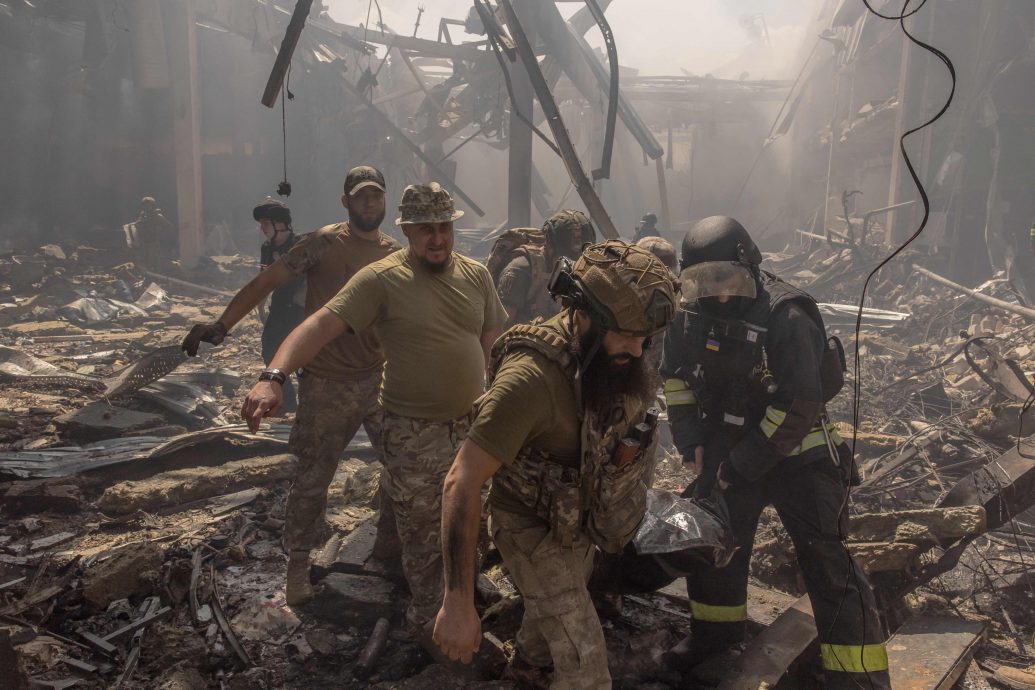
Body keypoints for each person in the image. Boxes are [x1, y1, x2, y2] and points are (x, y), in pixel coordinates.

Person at [240, 182, 507, 631]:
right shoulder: (382, 279)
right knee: (423, 533)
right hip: (413, 431)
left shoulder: (476, 275)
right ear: (407, 230)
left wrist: (497, 400)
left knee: (468, 518)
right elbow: (318, 325)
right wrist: (273, 377)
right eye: (425, 228)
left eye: (444, 226)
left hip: (468, 427)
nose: (437, 238)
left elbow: (492, 342)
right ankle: (429, 619)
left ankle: (455, 587)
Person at [433, 240, 677, 688]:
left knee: (555, 613)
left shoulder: (608, 358)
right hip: (530, 526)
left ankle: (528, 668)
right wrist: (457, 602)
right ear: (583, 315)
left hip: (576, 519)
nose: (637, 349)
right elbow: (461, 482)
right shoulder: (530, 380)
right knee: (586, 665)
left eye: (645, 337)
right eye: (624, 334)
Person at [660, 216, 891, 688]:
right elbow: (676, 379)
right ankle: (714, 638)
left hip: (799, 455)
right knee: (714, 543)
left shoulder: (786, 316)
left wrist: (740, 465)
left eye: (726, 279)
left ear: (750, 266)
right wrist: (690, 440)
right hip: (727, 450)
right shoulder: (687, 316)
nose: (719, 295)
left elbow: (799, 405)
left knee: (826, 561)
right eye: (704, 281)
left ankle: (858, 676)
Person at [181, 166, 400, 606]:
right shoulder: (324, 243)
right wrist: (222, 325)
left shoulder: (395, 253)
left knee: (404, 468)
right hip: (327, 383)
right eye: (361, 196)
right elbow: (266, 281)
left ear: (384, 201)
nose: (369, 203)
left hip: (379, 381)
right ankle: (298, 568)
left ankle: (389, 549)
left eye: (375, 196)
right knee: (312, 482)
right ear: (346, 202)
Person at [494, 209, 596, 329]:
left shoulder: (586, 269)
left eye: (580, 259)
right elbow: (499, 328)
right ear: (549, 246)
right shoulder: (521, 270)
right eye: (566, 257)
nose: (574, 265)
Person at [253, 197, 305, 412]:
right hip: (280, 307)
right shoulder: (267, 248)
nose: (262, 229)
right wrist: (260, 306)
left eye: (266, 223)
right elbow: (264, 278)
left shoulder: (301, 244)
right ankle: (287, 402)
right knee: (270, 349)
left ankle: (309, 401)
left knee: (304, 358)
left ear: (280, 223)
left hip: (302, 309)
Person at [124, 196, 174, 269]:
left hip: (153, 242)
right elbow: (137, 224)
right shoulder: (143, 216)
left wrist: (159, 231)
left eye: (148, 205)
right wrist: (136, 225)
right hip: (143, 243)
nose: (146, 207)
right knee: (143, 262)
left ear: (152, 205)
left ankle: (156, 273)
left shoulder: (157, 216)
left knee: (153, 262)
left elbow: (169, 226)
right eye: (145, 205)